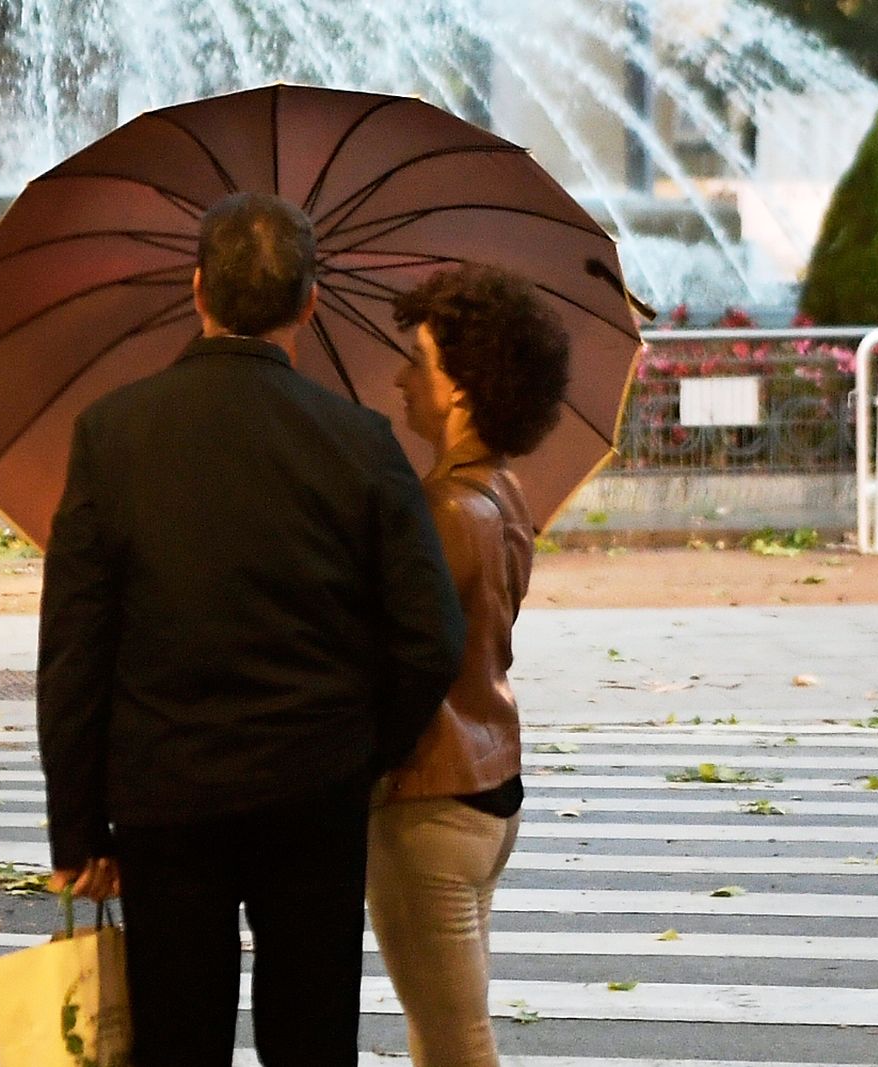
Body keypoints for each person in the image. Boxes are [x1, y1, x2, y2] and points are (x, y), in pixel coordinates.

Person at [37, 191, 467, 1067]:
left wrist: (76, 828)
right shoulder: (360, 442)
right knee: (310, 1041)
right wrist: (362, 748)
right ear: (309, 302)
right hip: (314, 792)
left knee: (178, 1038)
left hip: (165, 797)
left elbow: (75, 647)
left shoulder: (111, 435)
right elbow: (431, 635)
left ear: (197, 290)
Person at [368, 263, 571, 1067]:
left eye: (416, 361)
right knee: (443, 1032)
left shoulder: (444, 509)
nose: (400, 378)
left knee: (457, 1043)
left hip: (430, 797)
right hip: (488, 784)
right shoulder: (503, 491)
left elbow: (412, 657)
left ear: (459, 384)